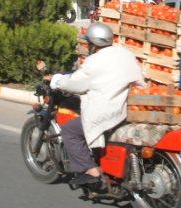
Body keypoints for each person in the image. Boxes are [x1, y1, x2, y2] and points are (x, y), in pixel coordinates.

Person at [49, 22, 144, 186]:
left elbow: (74, 84)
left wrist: (57, 81)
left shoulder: (94, 61)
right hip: (129, 107)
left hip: (109, 112)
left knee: (70, 131)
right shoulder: (124, 53)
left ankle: (90, 170)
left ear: (93, 43)